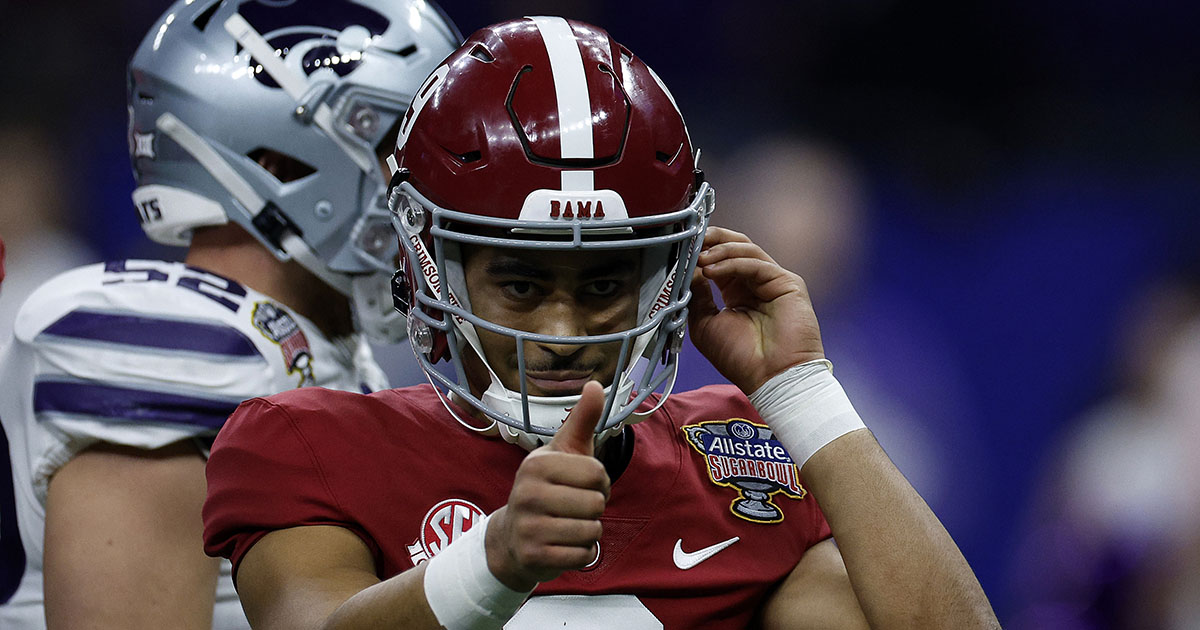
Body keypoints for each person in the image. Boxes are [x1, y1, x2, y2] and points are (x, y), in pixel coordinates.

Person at [203, 17, 999, 629]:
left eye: (605, 283)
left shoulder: (740, 460)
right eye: (519, 282)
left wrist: (799, 393)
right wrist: (493, 560)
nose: (562, 328)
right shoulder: (304, 443)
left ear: (669, 279)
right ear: (431, 267)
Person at [0, 1, 459, 628]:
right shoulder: (176, 347)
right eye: (400, 150)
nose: (434, 187)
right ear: (279, 162)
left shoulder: (318, 351)